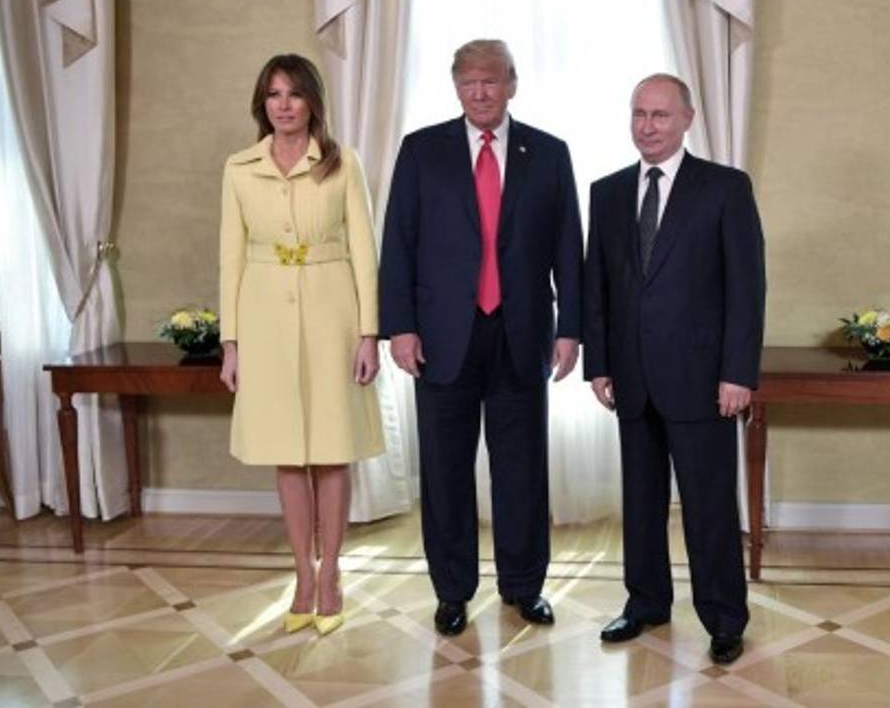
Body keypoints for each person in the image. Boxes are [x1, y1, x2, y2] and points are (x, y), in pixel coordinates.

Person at [380, 39, 582, 637]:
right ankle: (452, 591)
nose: (480, 92)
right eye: (468, 81)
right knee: (445, 472)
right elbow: (398, 245)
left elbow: (569, 249)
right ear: (456, 87)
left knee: (522, 470)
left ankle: (523, 587)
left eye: (491, 80)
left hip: (521, 336)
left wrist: (570, 328)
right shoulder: (422, 151)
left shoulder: (548, 153)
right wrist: (401, 326)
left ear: (512, 84)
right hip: (443, 338)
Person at [582, 73, 765, 665]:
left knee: (710, 505)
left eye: (660, 115)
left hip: (705, 381)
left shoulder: (725, 189)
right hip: (631, 380)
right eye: (639, 114)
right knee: (640, 502)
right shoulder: (606, 193)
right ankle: (645, 603)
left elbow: (747, 288)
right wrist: (599, 363)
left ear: (687, 119)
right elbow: (598, 287)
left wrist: (738, 373)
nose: (648, 126)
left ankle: (723, 618)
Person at [219, 53, 385, 636]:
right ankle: (303, 575)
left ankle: (334, 572)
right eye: (273, 94)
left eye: (293, 94)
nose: (283, 105)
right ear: (262, 104)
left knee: (332, 448)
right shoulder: (240, 168)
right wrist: (231, 343)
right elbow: (231, 257)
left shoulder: (343, 164)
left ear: (313, 100)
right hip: (263, 315)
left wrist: (369, 334)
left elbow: (366, 253)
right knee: (287, 451)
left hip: (332, 310)